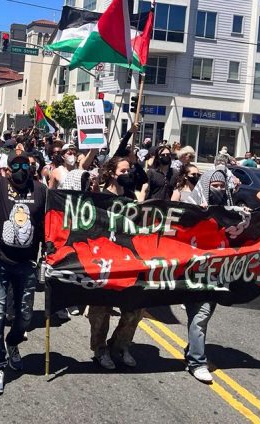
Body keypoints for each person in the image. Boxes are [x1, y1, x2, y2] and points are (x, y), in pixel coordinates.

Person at [0, 153, 46, 395]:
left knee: (25, 316)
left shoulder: (40, 190)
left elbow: (48, 225)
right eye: (15, 166)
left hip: (26, 264)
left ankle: (13, 344)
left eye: (25, 166)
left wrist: (49, 254)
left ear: (31, 169)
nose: (20, 170)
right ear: (6, 169)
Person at [87, 156, 144, 371]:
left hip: (129, 263)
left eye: (129, 170)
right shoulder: (101, 197)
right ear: (112, 173)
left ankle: (120, 346)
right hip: (105, 264)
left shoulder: (131, 197)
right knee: (100, 310)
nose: (128, 174)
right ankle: (100, 349)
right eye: (123, 171)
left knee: (134, 309)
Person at [183, 167, 234, 383]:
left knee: (202, 316)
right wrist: (196, 215)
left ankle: (193, 350)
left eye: (222, 186)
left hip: (217, 273)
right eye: (215, 186)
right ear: (205, 186)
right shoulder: (189, 207)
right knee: (200, 316)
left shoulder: (229, 211)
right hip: (191, 272)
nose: (219, 190)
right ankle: (197, 361)